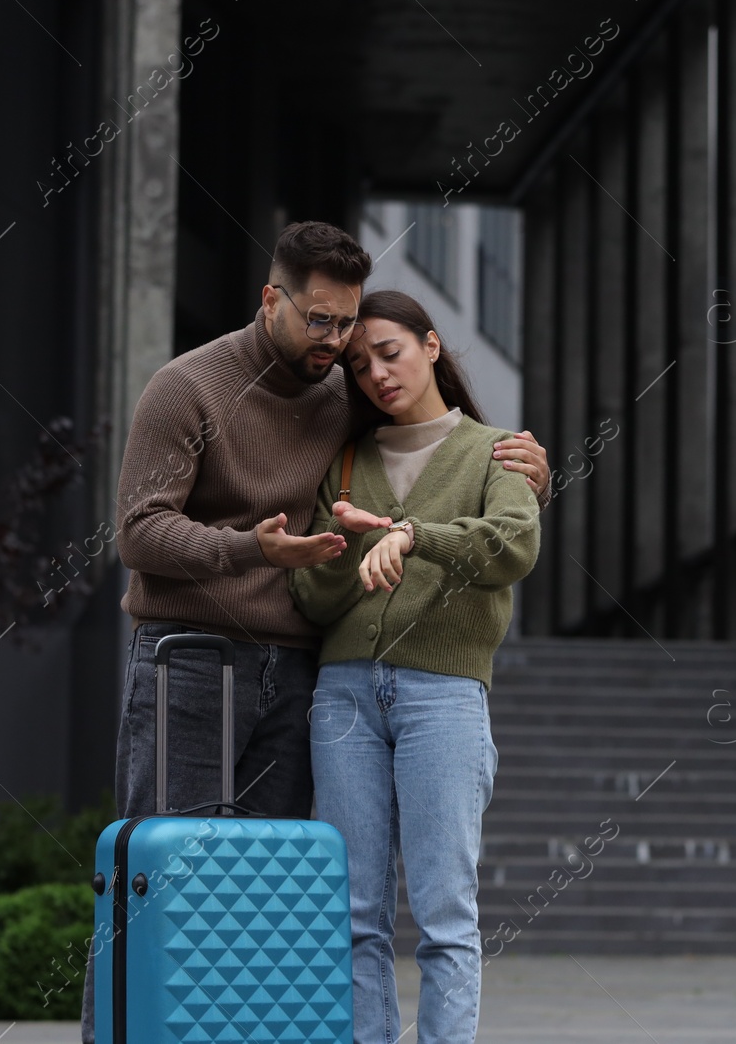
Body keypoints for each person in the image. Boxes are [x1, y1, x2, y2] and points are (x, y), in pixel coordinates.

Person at [80, 223, 550, 1043]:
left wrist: (529, 475)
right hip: (190, 660)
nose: (344, 348)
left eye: (354, 326)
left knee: (271, 898)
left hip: (297, 671)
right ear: (273, 300)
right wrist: (244, 549)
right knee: (163, 880)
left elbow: (454, 472)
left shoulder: (348, 401)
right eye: (322, 322)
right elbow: (138, 533)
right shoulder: (185, 387)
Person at [290, 289, 541, 1044]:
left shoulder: (496, 451)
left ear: (433, 346)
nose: (376, 375)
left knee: (444, 914)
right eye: (360, 365)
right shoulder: (342, 461)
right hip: (343, 697)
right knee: (353, 912)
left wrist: (412, 534)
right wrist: (343, 548)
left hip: (444, 695)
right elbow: (309, 594)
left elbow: (512, 546)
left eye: (390, 352)